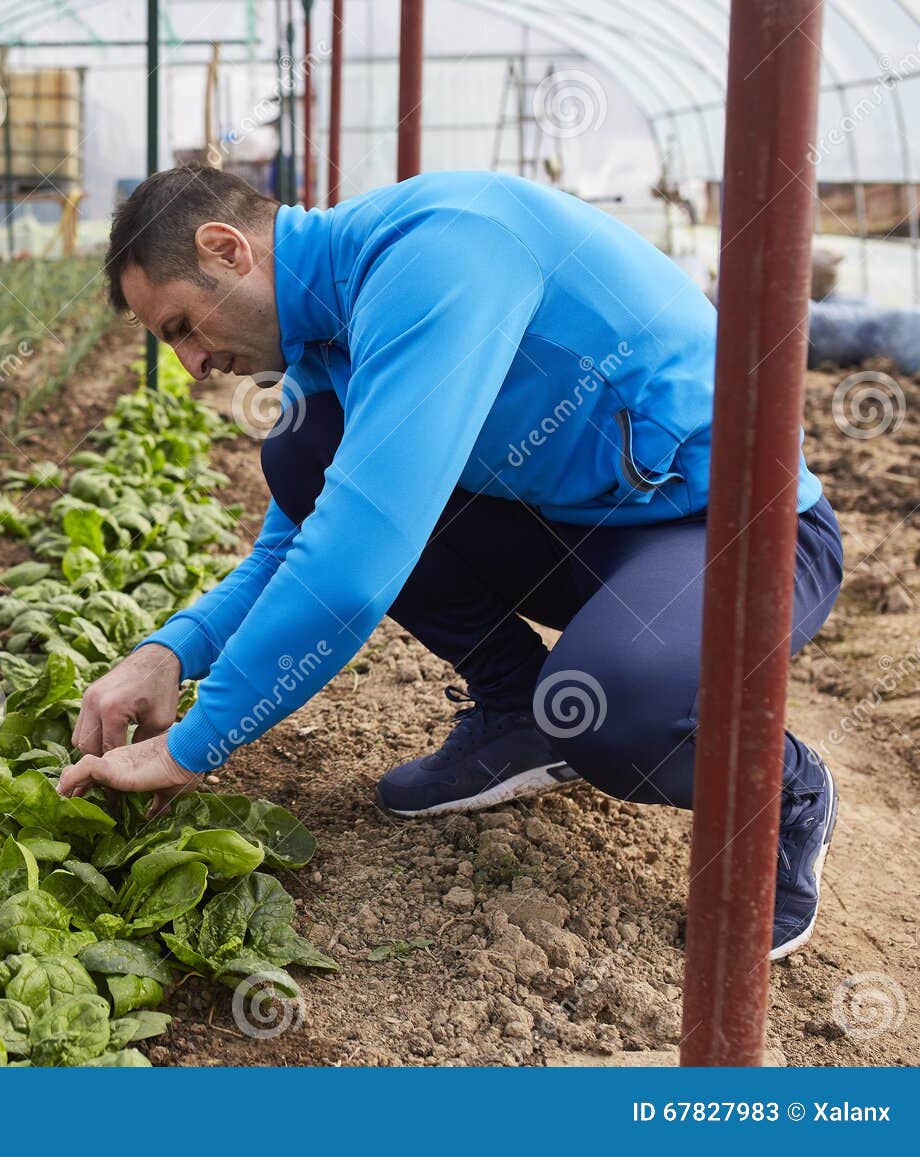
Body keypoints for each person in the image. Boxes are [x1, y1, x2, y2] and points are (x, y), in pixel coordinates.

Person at [55, 165, 843, 960]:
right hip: (589, 533)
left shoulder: (439, 254)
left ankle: (783, 789)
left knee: (614, 707)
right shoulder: (331, 334)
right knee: (304, 452)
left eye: (183, 326)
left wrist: (195, 743)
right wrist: (169, 653)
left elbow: (349, 572)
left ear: (226, 250)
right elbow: (298, 541)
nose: (194, 363)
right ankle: (519, 716)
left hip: (742, 533)